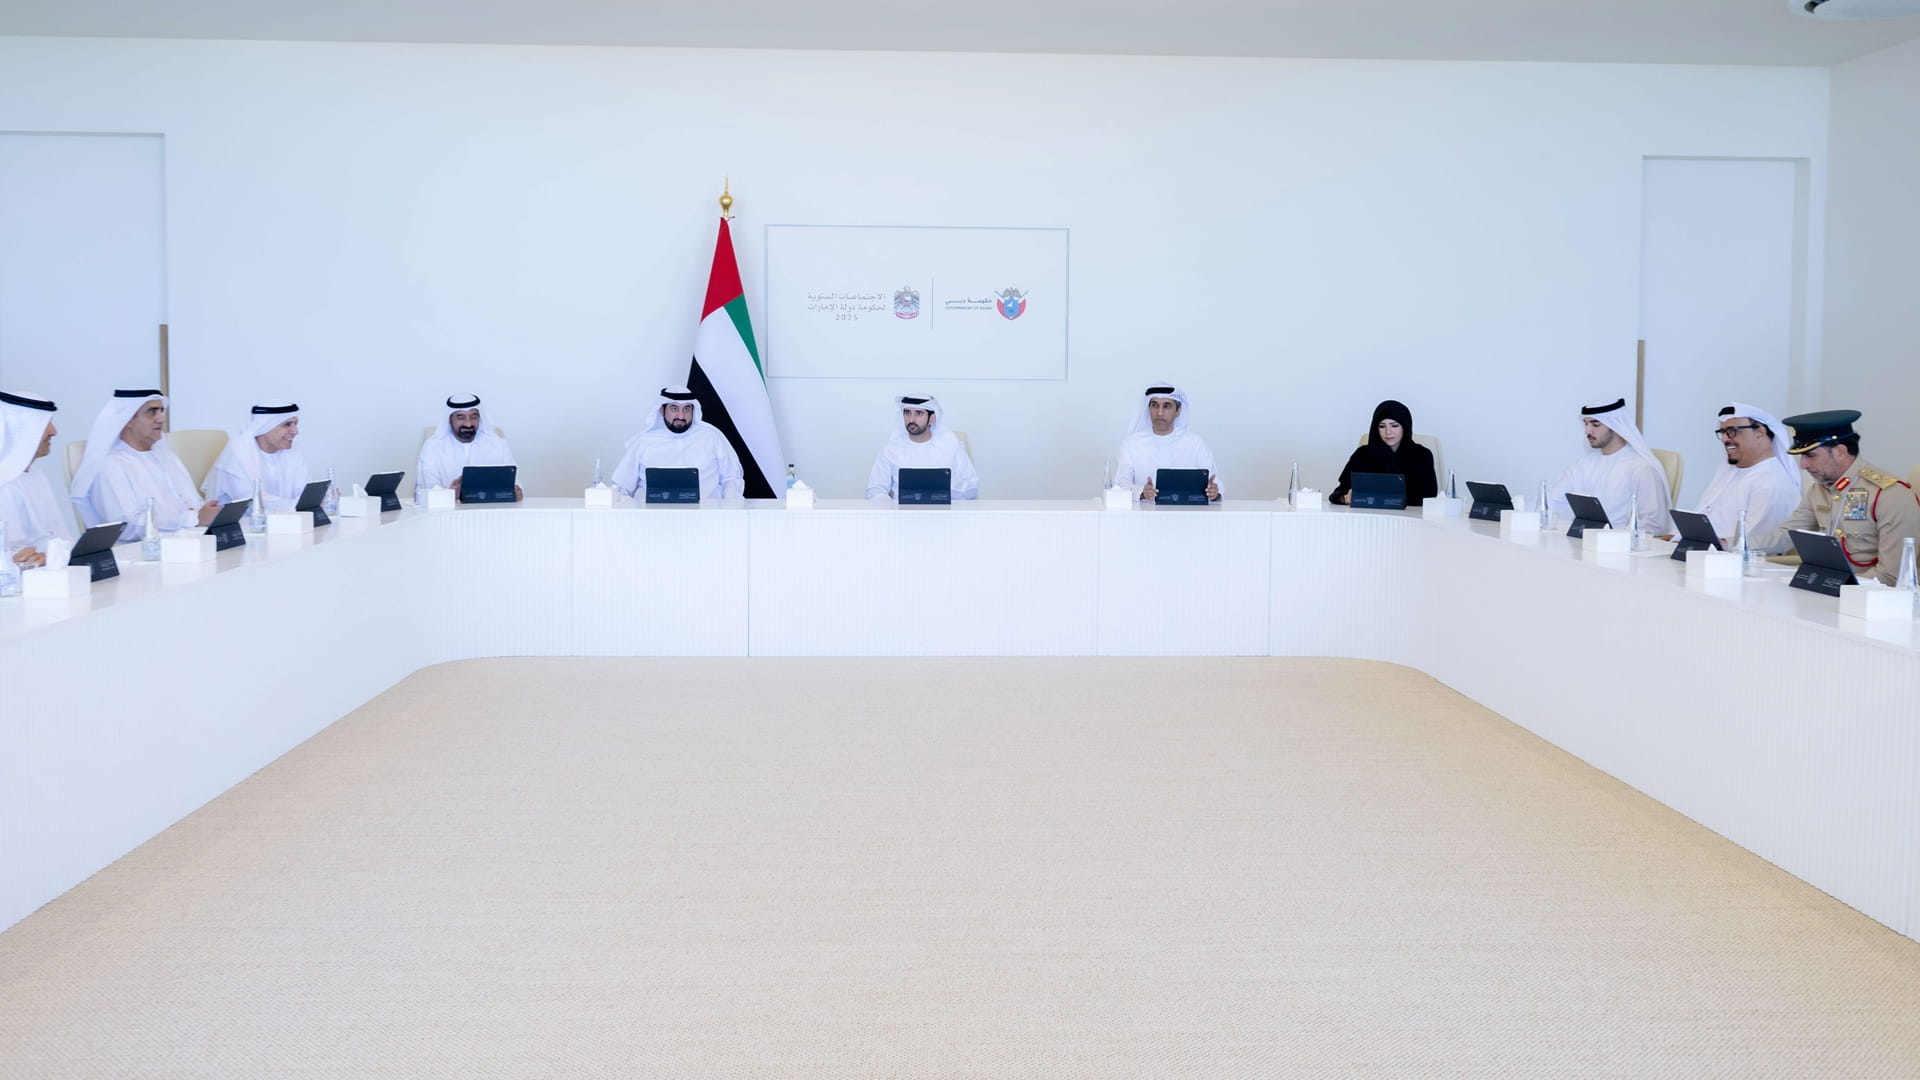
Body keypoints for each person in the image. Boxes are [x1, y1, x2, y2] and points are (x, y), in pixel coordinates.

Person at [1747, 410, 1920, 585]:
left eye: (1810, 455)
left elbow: (1892, 576)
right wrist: (1737, 545)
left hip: (1867, 595)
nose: (1803, 465)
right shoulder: (1820, 489)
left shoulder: (1889, 495)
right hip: (1831, 588)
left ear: (1840, 451)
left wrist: (1835, 586)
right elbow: (1787, 535)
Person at [70, 389, 219, 540]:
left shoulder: (166, 455)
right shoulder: (110, 465)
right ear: (128, 419)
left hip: (192, 539)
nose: (161, 419)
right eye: (152, 412)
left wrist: (208, 515)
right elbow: (127, 525)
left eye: (161, 411)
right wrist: (194, 519)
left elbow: (195, 504)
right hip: (145, 549)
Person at [1545, 396, 1672, 535]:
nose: (1587, 431)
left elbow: (1655, 524)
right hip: (1585, 541)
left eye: (1595, 425)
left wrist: (1616, 537)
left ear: (1615, 426)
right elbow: (1550, 502)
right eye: (1586, 424)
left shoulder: (1641, 468)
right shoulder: (1583, 465)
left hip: (1619, 545)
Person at [1687, 402, 1800, 543]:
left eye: (1732, 431)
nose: (1725, 439)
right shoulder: (1729, 471)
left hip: (1729, 554)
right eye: (1722, 432)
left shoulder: (1773, 482)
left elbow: (1753, 543)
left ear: (1760, 432)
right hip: (1703, 549)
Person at [610, 386, 744, 502]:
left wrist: (730, 509)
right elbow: (622, 485)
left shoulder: (712, 437)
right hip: (652, 517)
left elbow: (731, 478)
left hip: (705, 515)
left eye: (686, 409)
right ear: (662, 410)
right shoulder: (644, 441)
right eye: (674, 408)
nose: (680, 416)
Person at [0, 390, 75, 568]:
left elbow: (58, 537)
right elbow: (13, 555)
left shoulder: (37, 475)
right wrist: (32, 559)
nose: (54, 432)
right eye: (44, 424)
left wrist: (55, 556)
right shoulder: (5, 483)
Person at [1113, 385, 1219, 501]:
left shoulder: (1196, 443)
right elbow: (1121, 484)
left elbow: (1214, 482)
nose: (1160, 413)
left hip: (1186, 511)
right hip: (1145, 510)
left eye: (1167, 406)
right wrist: (1142, 492)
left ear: (1178, 411)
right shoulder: (1131, 443)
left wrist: (1214, 492)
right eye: (1155, 405)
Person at [865, 393, 979, 501]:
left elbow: (972, 487)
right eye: (907, 413)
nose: (911, 420)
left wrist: (940, 491)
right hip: (902, 513)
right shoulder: (890, 449)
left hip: (944, 512)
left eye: (919, 413)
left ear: (932, 418)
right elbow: (875, 489)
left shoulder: (951, 446)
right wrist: (889, 505)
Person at [202, 400, 309, 511]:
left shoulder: (294, 450)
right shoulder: (238, 451)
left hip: (283, 518)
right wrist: (297, 506)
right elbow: (252, 503)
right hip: (239, 520)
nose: (295, 431)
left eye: (295, 424)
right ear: (265, 426)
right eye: (287, 424)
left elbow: (305, 494)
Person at [1330, 399, 1437, 507]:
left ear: (1405, 426)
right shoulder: (1362, 454)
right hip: (1370, 515)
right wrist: (1345, 498)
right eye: (1382, 426)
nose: (1388, 432)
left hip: (1410, 516)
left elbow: (1429, 496)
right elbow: (1338, 493)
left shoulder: (1422, 455)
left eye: (1394, 425)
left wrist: (1384, 498)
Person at [416, 394, 520, 501]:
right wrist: (450, 495)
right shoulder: (432, 447)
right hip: (448, 510)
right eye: (460, 417)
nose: (468, 424)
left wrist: (516, 492)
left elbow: (516, 486)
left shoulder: (498, 444)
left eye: (474, 416)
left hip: (492, 509)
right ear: (449, 419)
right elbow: (425, 495)